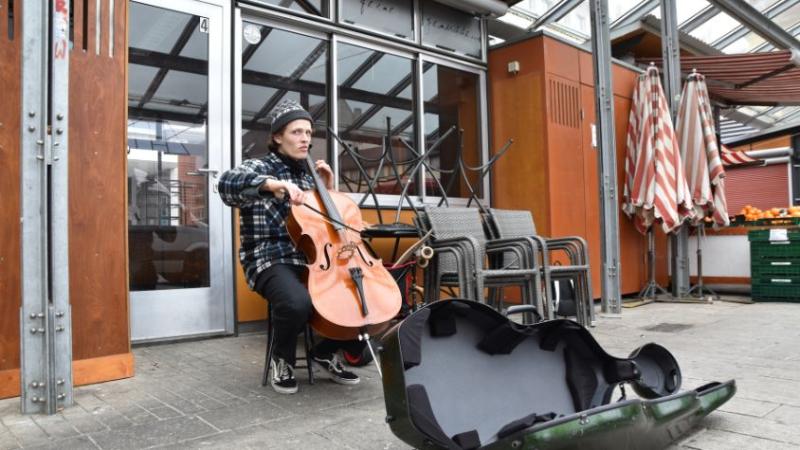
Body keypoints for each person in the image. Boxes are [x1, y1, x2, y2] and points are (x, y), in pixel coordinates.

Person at [218, 99, 364, 394]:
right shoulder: (259, 166)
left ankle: (324, 351)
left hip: (310, 258)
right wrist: (272, 185)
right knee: (297, 302)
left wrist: (327, 188)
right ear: (277, 137)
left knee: (362, 295)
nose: (305, 139)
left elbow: (327, 225)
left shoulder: (309, 176)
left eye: (308, 133)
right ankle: (281, 359)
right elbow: (225, 184)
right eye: (297, 132)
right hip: (268, 257)